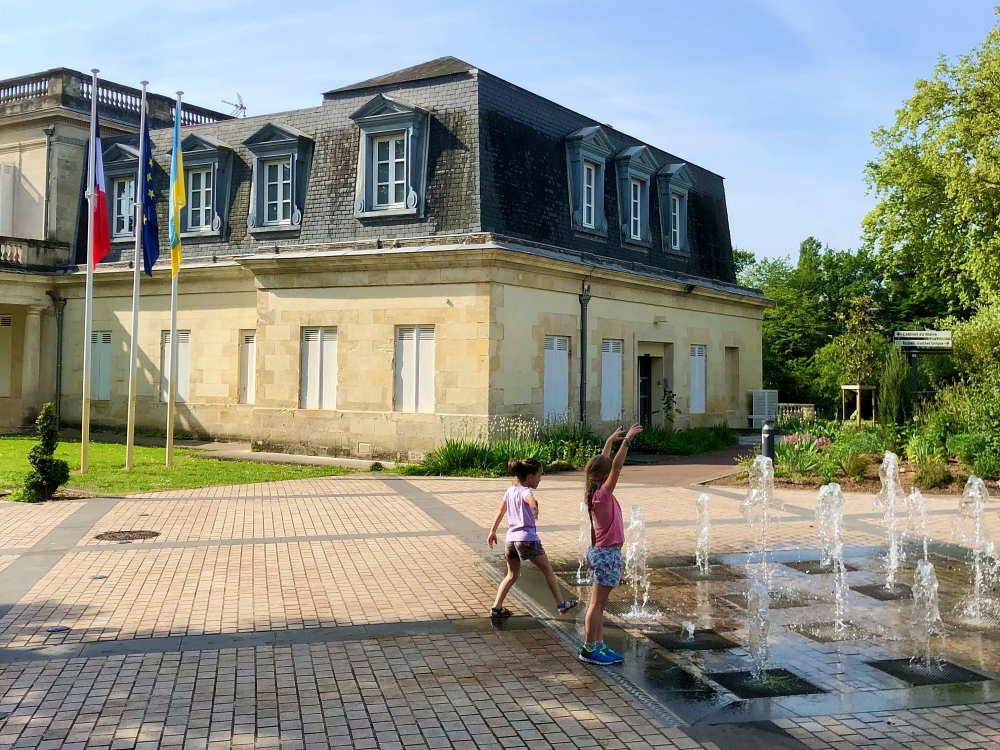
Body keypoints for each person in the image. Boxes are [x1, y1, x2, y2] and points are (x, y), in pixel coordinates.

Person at [579, 423, 644, 665]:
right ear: (605, 477)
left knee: (599, 604)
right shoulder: (603, 495)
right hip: (606, 554)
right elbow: (615, 467)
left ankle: (598, 644)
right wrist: (626, 440)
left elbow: (603, 465)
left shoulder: (592, 492)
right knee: (596, 604)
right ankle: (589, 648)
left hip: (600, 552)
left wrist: (609, 442)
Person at [487, 458, 578, 618]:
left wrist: (493, 531)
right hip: (527, 539)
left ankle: (496, 607)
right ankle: (561, 604)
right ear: (530, 476)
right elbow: (529, 500)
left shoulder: (510, 491)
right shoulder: (526, 491)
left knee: (511, 575)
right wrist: (534, 506)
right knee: (547, 570)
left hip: (510, 540)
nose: (540, 479)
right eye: (539, 475)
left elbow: (500, 511)